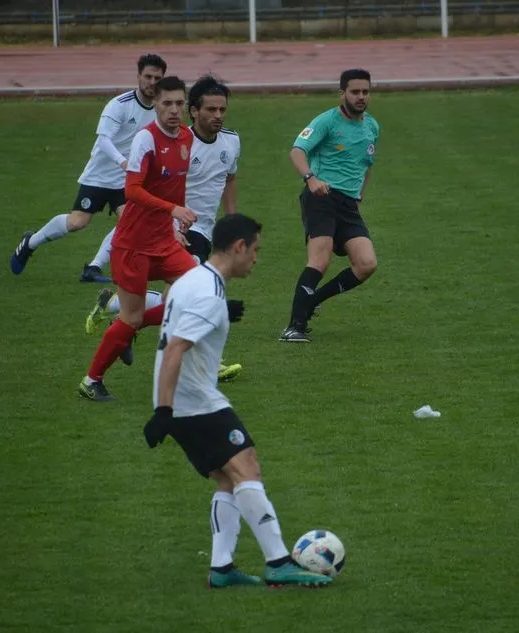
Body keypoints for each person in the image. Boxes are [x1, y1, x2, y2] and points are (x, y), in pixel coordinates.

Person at [144, 213, 332, 589]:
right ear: (239, 247)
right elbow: (177, 348)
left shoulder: (193, 278)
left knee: (228, 478)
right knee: (247, 469)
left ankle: (222, 568)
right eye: (255, 250)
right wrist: (164, 411)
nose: (257, 259)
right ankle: (278, 562)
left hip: (188, 397)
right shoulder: (208, 294)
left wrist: (220, 316)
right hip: (193, 401)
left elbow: (174, 312)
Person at [84, 74, 244, 382]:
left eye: (222, 110)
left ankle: (119, 314)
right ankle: (208, 363)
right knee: (201, 295)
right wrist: (172, 222)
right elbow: (146, 189)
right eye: (210, 110)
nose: (218, 116)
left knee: (177, 303)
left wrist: (232, 218)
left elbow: (229, 179)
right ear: (194, 111)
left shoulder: (225, 141)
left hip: (202, 228)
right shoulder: (167, 140)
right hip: (179, 231)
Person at [77, 75, 199, 402]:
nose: (174, 110)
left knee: (196, 293)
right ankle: (92, 380)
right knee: (131, 316)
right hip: (133, 244)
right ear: (155, 105)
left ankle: (129, 330)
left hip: (164, 241)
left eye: (178, 103)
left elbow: (177, 185)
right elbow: (132, 191)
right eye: (166, 103)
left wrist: (176, 225)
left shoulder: (186, 137)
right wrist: (174, 209)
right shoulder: (146, 140)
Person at [10, 54, 167, 283]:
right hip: (100, 176)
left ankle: (93, 268)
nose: (152, 82)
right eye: (148, 76)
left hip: (128, 180)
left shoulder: (160, 109)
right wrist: (124, 163)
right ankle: (30, 242)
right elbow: (104, 140)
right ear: (138, 77)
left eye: (157, 78)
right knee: (77, 222)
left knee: (132, 222)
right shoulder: (119, 105)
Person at [278, 68, 380, 343]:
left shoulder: (372, 126)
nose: (361, 97)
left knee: (366, 263)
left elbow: (366, 165)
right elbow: (297, 150)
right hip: (321, 198)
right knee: (320, 261)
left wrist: (359, 195)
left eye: (365, 92)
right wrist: (311, 179)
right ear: (342, 93)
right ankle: (294, 327)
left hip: (348, 204)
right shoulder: (326, 121)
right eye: (355, 92)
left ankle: (314, 300)